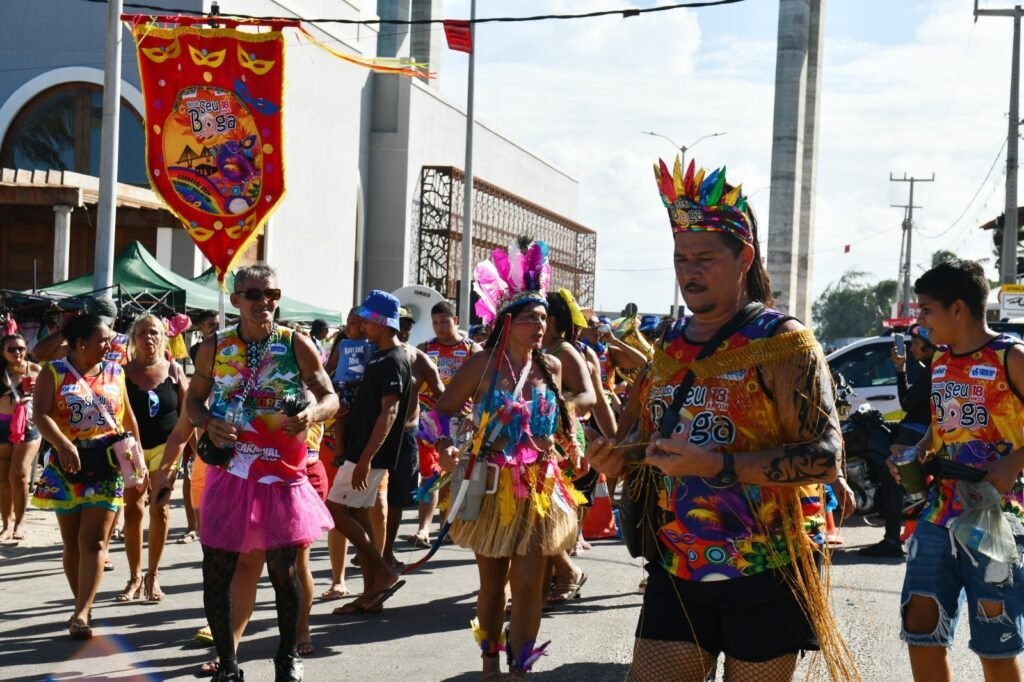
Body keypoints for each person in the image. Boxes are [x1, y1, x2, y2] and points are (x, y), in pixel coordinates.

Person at [586, 158, 856, 681]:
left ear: (743, 258)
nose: (690, 271)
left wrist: (716, 464)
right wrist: (618, 458)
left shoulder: (783, 343)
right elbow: (645, 441)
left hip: (767, 570)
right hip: (676, 566)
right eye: (681, 258)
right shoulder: (667, 344)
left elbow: (825, 458)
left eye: (705, 257)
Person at [421, 240, 586, 679]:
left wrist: (576, 443)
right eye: (531, 317)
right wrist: (445, 447)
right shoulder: (482, 364)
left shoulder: (549, 365)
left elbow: (566, 411)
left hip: (539, 488)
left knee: (530, 585)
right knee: (492, 587)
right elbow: (439, 411)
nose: (539, 325)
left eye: (544, 318)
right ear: (507, 322)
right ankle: (490, 661)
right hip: (492, 485)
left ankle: (521, 668)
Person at [186, 264, 338, 682]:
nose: (264, 302)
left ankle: (286, 657)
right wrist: (206, 422)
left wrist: (311, 412)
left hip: (280, 475)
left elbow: (329, 396)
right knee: (217, 569)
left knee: (284, 572)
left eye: (271, 294)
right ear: (236, 300)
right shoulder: (214, 347)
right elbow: (194, 401)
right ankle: (229, 665)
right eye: (253, 294)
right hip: (230, 472)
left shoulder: (295, 343)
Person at [893, 259, 1024, 682]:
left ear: (958, 309)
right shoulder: (941, 362)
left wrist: (1013, 461)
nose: (920, 320)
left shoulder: (1011, 356)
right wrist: (917, 452)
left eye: (926, 310)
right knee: (920, 625)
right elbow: (942, 425)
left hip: (998, 518)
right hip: (937, 513)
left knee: (995, 636)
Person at [30, 313, 144, 639]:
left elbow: (128, 419)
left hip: (107, 465)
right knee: (72, 543)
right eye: (103, 339)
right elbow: (40, 414)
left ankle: (81, 613)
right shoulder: (54, 372)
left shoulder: (116, 371)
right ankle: (83, 600)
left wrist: (138, 464)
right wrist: (63, 444)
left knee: (93, 539)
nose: (111, 344)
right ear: (82, 343)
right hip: (66, 466)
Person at [325, 290, 411, 615]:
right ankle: (370, 592)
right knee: (357, 515)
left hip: (367, 454)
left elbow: (389, 412)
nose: (361, 324)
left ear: (379, 321)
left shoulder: (392, 358)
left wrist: (364, 460)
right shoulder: (377, 354)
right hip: (360, 450)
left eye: (366, 319)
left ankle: (383, 568)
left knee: (334, 510)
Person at [118, 314, 189, 601]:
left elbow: (187, 413)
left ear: (164, 337)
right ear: (133, 338)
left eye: (155, 333)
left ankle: (153, 576)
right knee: (133, 510)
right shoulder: (120, 372)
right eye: (142, 333)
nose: (149, 338)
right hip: (129, 447)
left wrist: (199, 452)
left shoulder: (174, 370)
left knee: (160, 508)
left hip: (166, 447)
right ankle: (134, 576)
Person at [541, 290, 600, 604]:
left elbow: (588, 397)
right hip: (538, 444)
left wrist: (555, 411)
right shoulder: (541, 349)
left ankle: (567, 572)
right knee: (537, 516)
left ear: (549, 320)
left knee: (545, 515)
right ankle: (552, 577)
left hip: (563, 444)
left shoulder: (564, 351)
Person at [859, 324, 936, 559]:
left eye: (915, 344)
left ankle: (892, 539)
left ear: (928, 346)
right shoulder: (930, 368)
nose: (911, 348)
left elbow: (907, 403)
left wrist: (901, 370)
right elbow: (910, 401)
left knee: (891, 473)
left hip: (919, 431)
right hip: (914, 426)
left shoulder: (934, 369)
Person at [410, 301, 482, 547]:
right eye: (435, 323)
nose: (440, 327)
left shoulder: (473, 349)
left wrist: (476, 414)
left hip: (462, 420)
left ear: (457, 321)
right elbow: (413, 387)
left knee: (453, 474)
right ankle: (423, 529)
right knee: (430, 472)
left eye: (445, 322)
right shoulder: (424, 348)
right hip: (430, 420)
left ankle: (446, 526)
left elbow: (484, 387)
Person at [383, 307, 444, 569]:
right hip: (374, 434)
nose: (403, 330)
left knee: (396, 498)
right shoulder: (373, 355)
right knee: (370, 497)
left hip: (407, 434)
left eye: (407, 325)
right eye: (399, 324)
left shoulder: (421, 359)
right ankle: (371, 547)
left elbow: (444, 395)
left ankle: (385, 551)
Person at [0, 333, 42, 541]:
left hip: (28, 426)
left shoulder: (35, 370)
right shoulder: (1, 372)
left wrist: (36, 391)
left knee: (19, 476)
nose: (17, 352)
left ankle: (20, 523)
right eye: (11, 349)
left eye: (21, 348)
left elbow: (51, 398)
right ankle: (6, 524)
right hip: (2, 426)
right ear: (2, 352)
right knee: (3, 480)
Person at [33, 298, 130, 365]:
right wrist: (65, 331)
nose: (102, 327)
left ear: (115, 319)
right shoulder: (82, 344)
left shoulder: (128, 344)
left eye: (106, 323)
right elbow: (38, 354)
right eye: (97, 322)